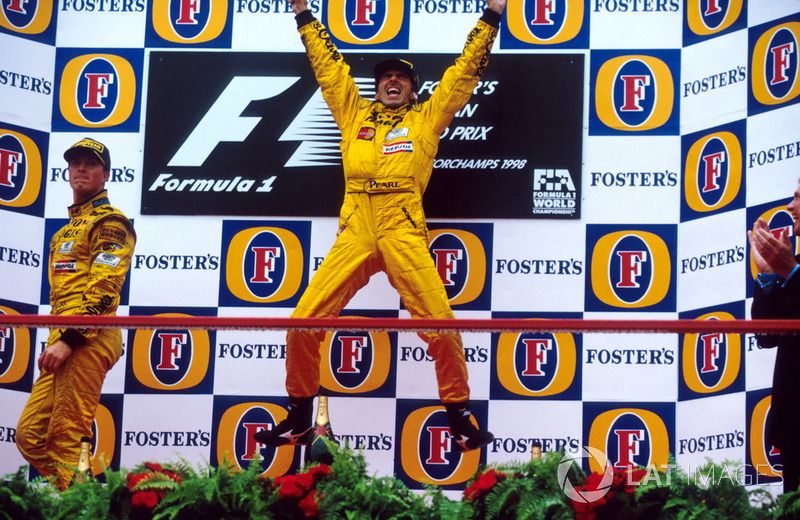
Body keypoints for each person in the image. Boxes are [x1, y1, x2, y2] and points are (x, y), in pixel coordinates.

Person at [255, 0, 506, 452]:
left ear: (413, 89)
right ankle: (298, 413)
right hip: (356, 231)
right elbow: (329, 70)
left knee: (443, 327)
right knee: (301, 323)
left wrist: (490, 16)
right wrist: (303, 15)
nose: (393, 81)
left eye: (402, 78)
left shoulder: (426, 119)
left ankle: (459, 413)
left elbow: (464, 74)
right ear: (376, 88)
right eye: (386, 77)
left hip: (404, 230)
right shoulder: (355, 116)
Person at [16, 137, 136, 490]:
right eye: (74, 163)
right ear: (68, 172)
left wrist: (69, 339)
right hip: (63, 337)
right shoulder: (64, 231)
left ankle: (86, 510)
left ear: (106, 174)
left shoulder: (111, 221)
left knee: (68, 436)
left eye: (90, 163)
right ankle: (93, 499)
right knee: (30, 436)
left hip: (88, 336)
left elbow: (105, 288)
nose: (80, 169)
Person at [749, 181, 800, 494]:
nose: (790, 206)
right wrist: (769, 275)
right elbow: (767, 336)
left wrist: (792, 272)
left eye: (799, 197)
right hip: (794, 423)